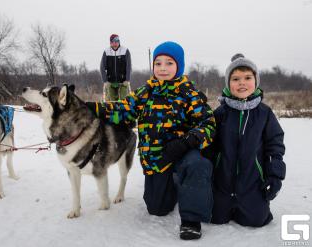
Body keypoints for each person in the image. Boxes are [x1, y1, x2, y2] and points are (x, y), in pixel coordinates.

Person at [88, 41, 215, 240]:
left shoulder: (189, 93)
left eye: (169, 63)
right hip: (158, 160)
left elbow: (208, 125)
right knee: (157, 209)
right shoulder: (145, 92)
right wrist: (88, 108)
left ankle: (191, 220)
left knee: (197, 164)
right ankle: (175, 183)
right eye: (158, 63)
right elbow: (121, 110)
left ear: (179, 66)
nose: (163, 68)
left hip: (183, 152)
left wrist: (185, 143)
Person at [209, 54, 286, 227]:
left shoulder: (265, 114)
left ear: (256, 80)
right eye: (235, 78)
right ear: (228, 84)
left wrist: (274, 176)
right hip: (223, 186)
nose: (242, 82)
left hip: (252, 185)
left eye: (247, 78)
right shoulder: (220, 114)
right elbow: (210, 148)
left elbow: (275, 146)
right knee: (215, 218)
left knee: (258, 220)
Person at [100, 34, 132, 101]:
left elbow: (128, 66)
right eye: (113, 42)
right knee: (112, 101)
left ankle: (123, 111)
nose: (115, 43)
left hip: (123, 81)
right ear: (110, 42)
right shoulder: (106, 52)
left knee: (124, 100)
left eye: (116, 41)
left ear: (119, 42)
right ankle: (113, 111)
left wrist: (127, 79)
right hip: (110, 81)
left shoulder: (125, 50)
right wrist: (105, 81)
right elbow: (102, 67)